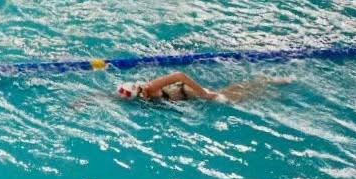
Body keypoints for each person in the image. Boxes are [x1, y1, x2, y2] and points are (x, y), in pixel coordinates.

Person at [115, 71, 287, 103]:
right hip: (188, 97)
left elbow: (178, 75)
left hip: (188, 91)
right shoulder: (146, 96)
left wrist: (203, 93)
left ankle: (268, 83)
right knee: (231, 94)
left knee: (231, 98)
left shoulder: (151, 87)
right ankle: (266, 85)